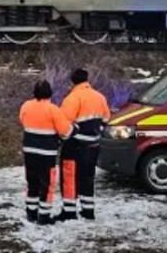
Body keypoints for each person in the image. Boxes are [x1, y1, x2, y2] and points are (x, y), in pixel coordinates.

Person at [19, 80, 75, 225]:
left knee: (32, 182)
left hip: (29, 151)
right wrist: (75, 128)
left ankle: (31, 213)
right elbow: (66, 131)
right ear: (50, 93)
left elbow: (22, 121)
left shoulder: (26, 106)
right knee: (46, 184)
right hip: (47, 154)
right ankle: (43, 216)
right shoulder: (53, 110)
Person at [58, 68, 111, 221]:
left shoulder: (72, 98)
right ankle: (88, 210)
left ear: (73, 81)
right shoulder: (99, 97)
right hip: (93, 145)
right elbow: (106, 118)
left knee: (69, 177)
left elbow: (64, 122)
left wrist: (61, 138)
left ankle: (69, 211)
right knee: (88, 177)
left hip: (74, 145)